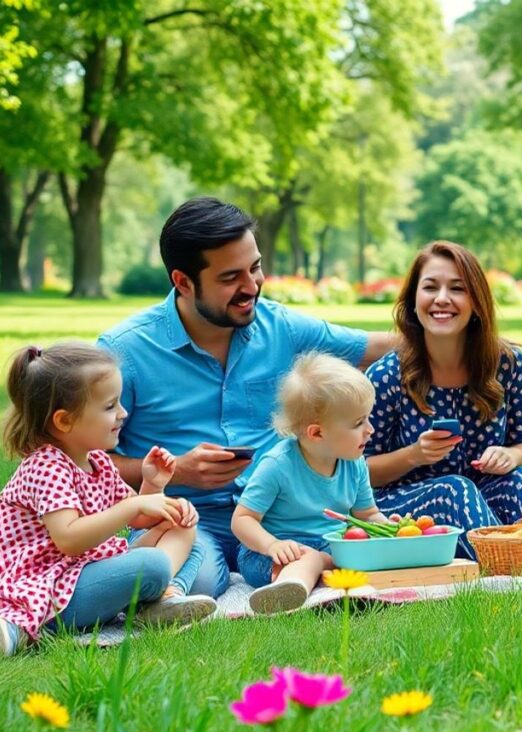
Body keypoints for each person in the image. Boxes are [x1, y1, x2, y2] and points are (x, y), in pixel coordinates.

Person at [98, 197, 394, 598]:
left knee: (325, 556)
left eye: (255, 268)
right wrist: (179, 471)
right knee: (198, 582)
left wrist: (481, 342)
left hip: (277, 519)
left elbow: (376, 346)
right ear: (183, 282)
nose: (251, 286)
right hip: (182, 520)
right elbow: (75, 463)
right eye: (230, 277)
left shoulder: (280, 325)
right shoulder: (125, 352)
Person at [0, 343, 216, 656]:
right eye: (110, 406)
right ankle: (18, 626)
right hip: (48, 587)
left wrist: (152, 486)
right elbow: (69, 539)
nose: (123, 413)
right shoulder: (46, 466)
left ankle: (165, 599)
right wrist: (132, 505)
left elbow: (137, 520)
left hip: (82, 570)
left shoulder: (97, 461)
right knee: (153, 564)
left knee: (186, 531)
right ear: (64, 421)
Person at [363, 241, 522, 560]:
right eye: (430, 287)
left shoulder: (506, 364)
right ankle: (514, 566)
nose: (442, 299)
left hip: (486, 488)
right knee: (455, 490)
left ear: (476, 302)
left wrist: (511, 456)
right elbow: (355, 473)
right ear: (414, 300)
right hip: (401, 504)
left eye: (457, 289)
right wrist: (415, 455)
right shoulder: (387, 376)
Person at [232, 353, 389, 614]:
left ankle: (312, 574)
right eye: (358, 422)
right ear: (317, 433)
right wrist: (272, 545)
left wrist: (389, 529)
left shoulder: (354, 462)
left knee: (356, 554)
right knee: (313, 559)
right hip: (269, 554)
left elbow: (368, 514)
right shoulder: (278, 465)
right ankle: (285, 595)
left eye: (368, 418)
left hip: (331, 545)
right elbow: (242, 519)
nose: (370, 429)